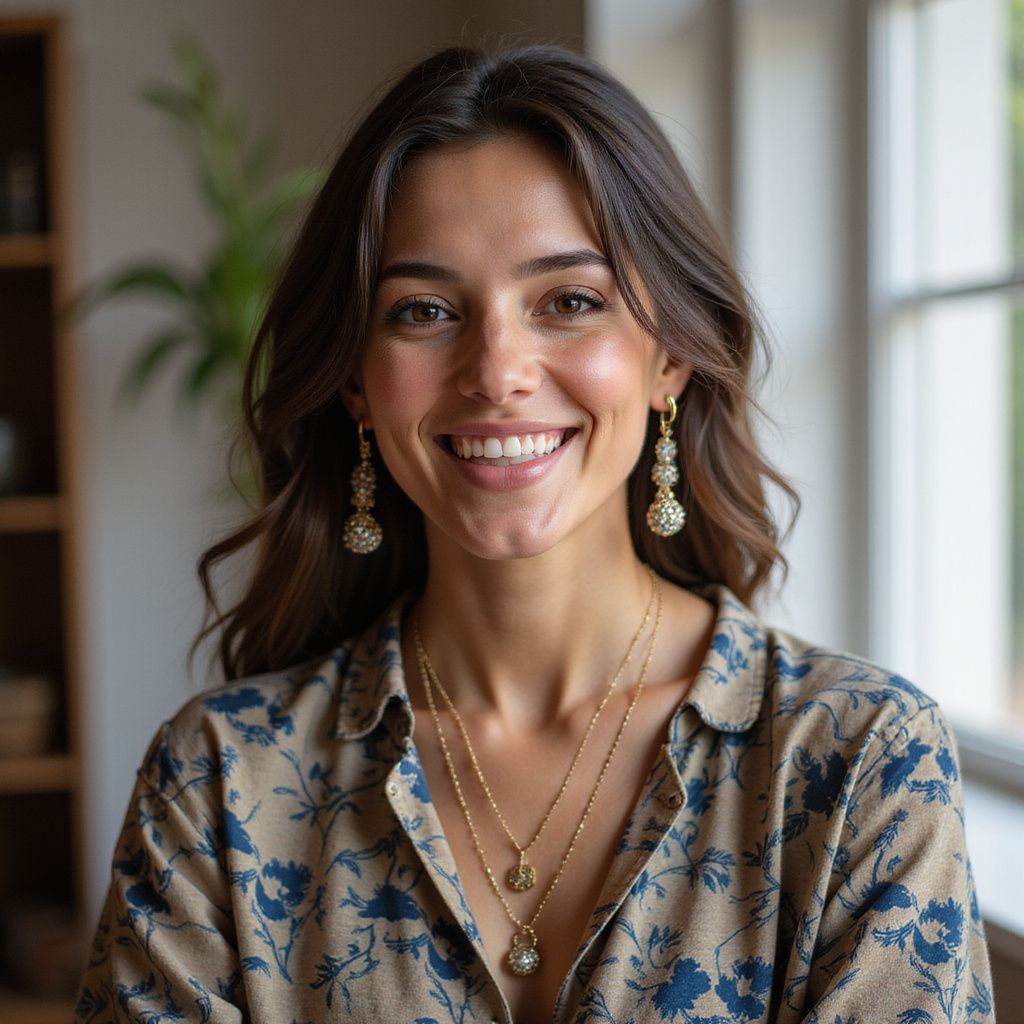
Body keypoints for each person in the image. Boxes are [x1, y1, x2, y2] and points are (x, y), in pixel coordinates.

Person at [73, 43, 994, 1024]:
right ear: (355, 383)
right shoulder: (221, 784)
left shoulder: (858, 762)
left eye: (569, 302)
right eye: (423, 311)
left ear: (671, 357)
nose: (496, 369)